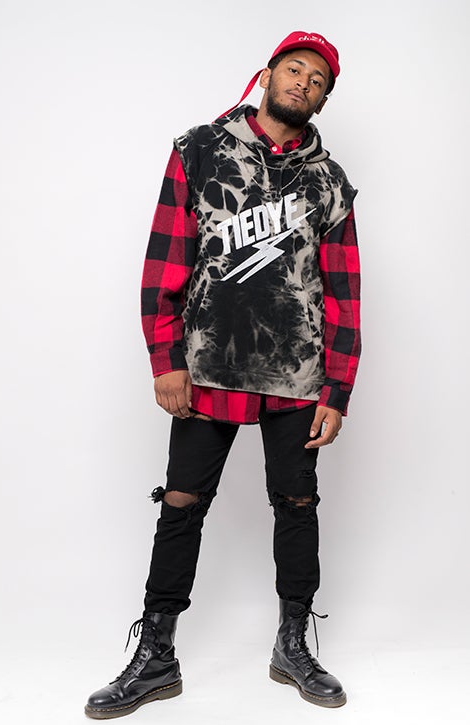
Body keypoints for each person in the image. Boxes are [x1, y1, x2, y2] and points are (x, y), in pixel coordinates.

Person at [85, 30, 361, 719]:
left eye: (318, 80)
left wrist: (338, 388)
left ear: (323, 100)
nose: (303, 83)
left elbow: (345, 292)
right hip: (209, 368)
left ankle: (293, 645)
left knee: (297, 504)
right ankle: (157, 653)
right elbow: (164, 262)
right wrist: (166, 360)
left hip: (297, 375)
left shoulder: (329, 181)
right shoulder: (200, 150)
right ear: (266, 75)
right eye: (294, 69)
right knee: (182, 503)